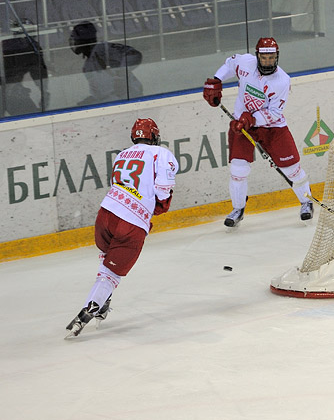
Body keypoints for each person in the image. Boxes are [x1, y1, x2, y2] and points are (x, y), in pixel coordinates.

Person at [66, 118, 178, 338]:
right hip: (132, 223)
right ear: (154, 136)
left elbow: (117, 184)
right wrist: (160, 203)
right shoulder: (161, 153)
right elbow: (164, 189)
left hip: (105, 214)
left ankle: (103, 301)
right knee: (111, 274)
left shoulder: (121, 155)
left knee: (106, 258)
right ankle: (88, 310)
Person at [202, 37, 313, 227]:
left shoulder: (282, 81)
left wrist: (251, 119)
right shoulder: (245, 62)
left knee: (292, 169)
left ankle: (306, 202)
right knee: (238, 169)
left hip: (272, 127)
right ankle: (238, 209)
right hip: (242, 125)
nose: (268, 62)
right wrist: (216, 81)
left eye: (271, 58)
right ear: (257, 56)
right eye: (264, 58)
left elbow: (275, 113)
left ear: (277, 57)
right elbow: (229, 64)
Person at [69, 21, 143, 105]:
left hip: (128, 99)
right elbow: (102, 92)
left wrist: (121, 75)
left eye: (75, 39)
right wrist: (93, 99)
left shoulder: (103, 48)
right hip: (111, 102)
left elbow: (134, 54)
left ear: (84, 40)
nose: (73, 43)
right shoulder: (87, 65)